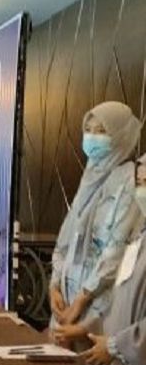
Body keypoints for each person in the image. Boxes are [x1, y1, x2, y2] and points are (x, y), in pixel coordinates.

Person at [49, 101, 143, 343]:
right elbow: (67, 236)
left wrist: (81, 300)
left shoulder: (131, 181)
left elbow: (114, 251)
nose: (92, 138)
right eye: (88, 130)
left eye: (102, 131)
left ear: (121, 135)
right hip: (67, 300)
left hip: (98, 308)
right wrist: (54, 285)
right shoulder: (91, 176)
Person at [55, 158, 146, 365]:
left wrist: (117, 346)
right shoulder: (139, 237)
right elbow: (121, 297)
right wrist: (92, 332)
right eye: (140, 183)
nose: (142, 191)